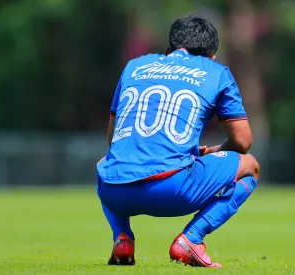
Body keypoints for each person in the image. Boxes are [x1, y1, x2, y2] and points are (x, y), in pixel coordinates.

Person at [96, 15, 260, 268]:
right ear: (212, 57)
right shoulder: (216, 71)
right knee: (250, 166)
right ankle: (191, 239)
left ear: (167, 51)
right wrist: (211, 152)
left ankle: (122, 237)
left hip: (114, 191)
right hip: (172, 191)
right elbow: (243, 141)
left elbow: (113, 138)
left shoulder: (134, 66)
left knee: (105, 162)